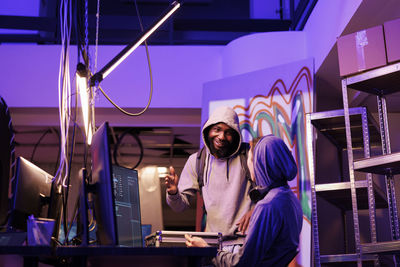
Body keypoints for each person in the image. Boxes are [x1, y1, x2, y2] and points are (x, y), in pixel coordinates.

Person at [185, 135, 303, 267]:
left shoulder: (267, 205)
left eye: (251, 159)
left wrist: (207, 250)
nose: (248, 163)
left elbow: (242, 263)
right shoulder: (290, 199)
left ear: (261, 163)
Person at [165, 106, 254, 245]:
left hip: (245, 243)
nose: (222, 137)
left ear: (236, 135)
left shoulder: (249, 156)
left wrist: (255, 210)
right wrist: (173, 192)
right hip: (211, 244)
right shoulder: (197, 161)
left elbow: (271, 189)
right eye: (217, 129)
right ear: (208, 130)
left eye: (228, 132)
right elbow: (179, 207)